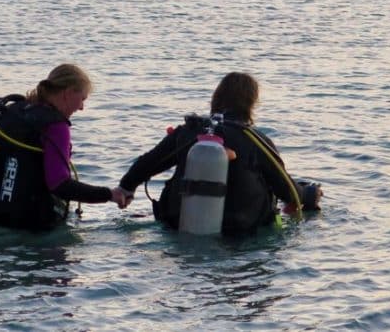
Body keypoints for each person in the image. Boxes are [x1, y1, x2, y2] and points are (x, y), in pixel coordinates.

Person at [116, 72, 321, 235]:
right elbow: (287, 190)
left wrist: (126, 189)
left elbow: (148, 163)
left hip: (178, 224)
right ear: (251, 104)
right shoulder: (256, 140)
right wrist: (310, 195)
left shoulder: (189, 131)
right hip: (240, 231)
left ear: (216, 97)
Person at [0, 63, 128, 230]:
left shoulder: (16, 111)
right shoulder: (56, 126)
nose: (82, 107)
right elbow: (60, 184)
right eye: (82, 99)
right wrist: (109, 194)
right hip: (33, 227)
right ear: (68, 93)